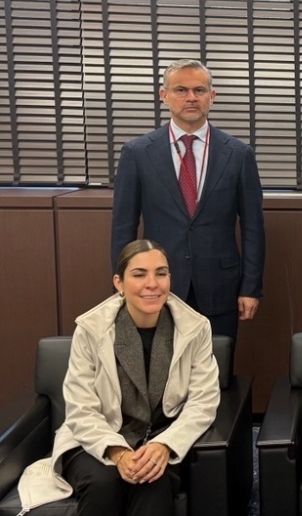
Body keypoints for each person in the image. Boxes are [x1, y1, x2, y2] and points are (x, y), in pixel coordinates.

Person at [17, 239, 220, 515]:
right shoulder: (91, 329)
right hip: (96, 440)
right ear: (119, 283)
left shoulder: (195, 328)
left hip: (162, 438)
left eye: (161, 273)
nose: (152, 284)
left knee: (154, 483)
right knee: (103, 483)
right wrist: (117, 452)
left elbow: (203, 402)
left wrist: (164, 445)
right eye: (139, 274)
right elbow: (81, 409)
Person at [111, 59, 265, 342]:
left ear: (212, 96)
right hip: (155, 287)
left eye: (199, 90)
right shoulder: (137, 153)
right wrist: (124, 286)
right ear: (164, 95)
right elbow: (123, 227)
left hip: (221, 288)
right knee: (158, 367)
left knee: (216, 364)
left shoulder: (238, 154)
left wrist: (250, 287)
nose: (191, 97)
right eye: (181, 90)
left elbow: (253, 227)